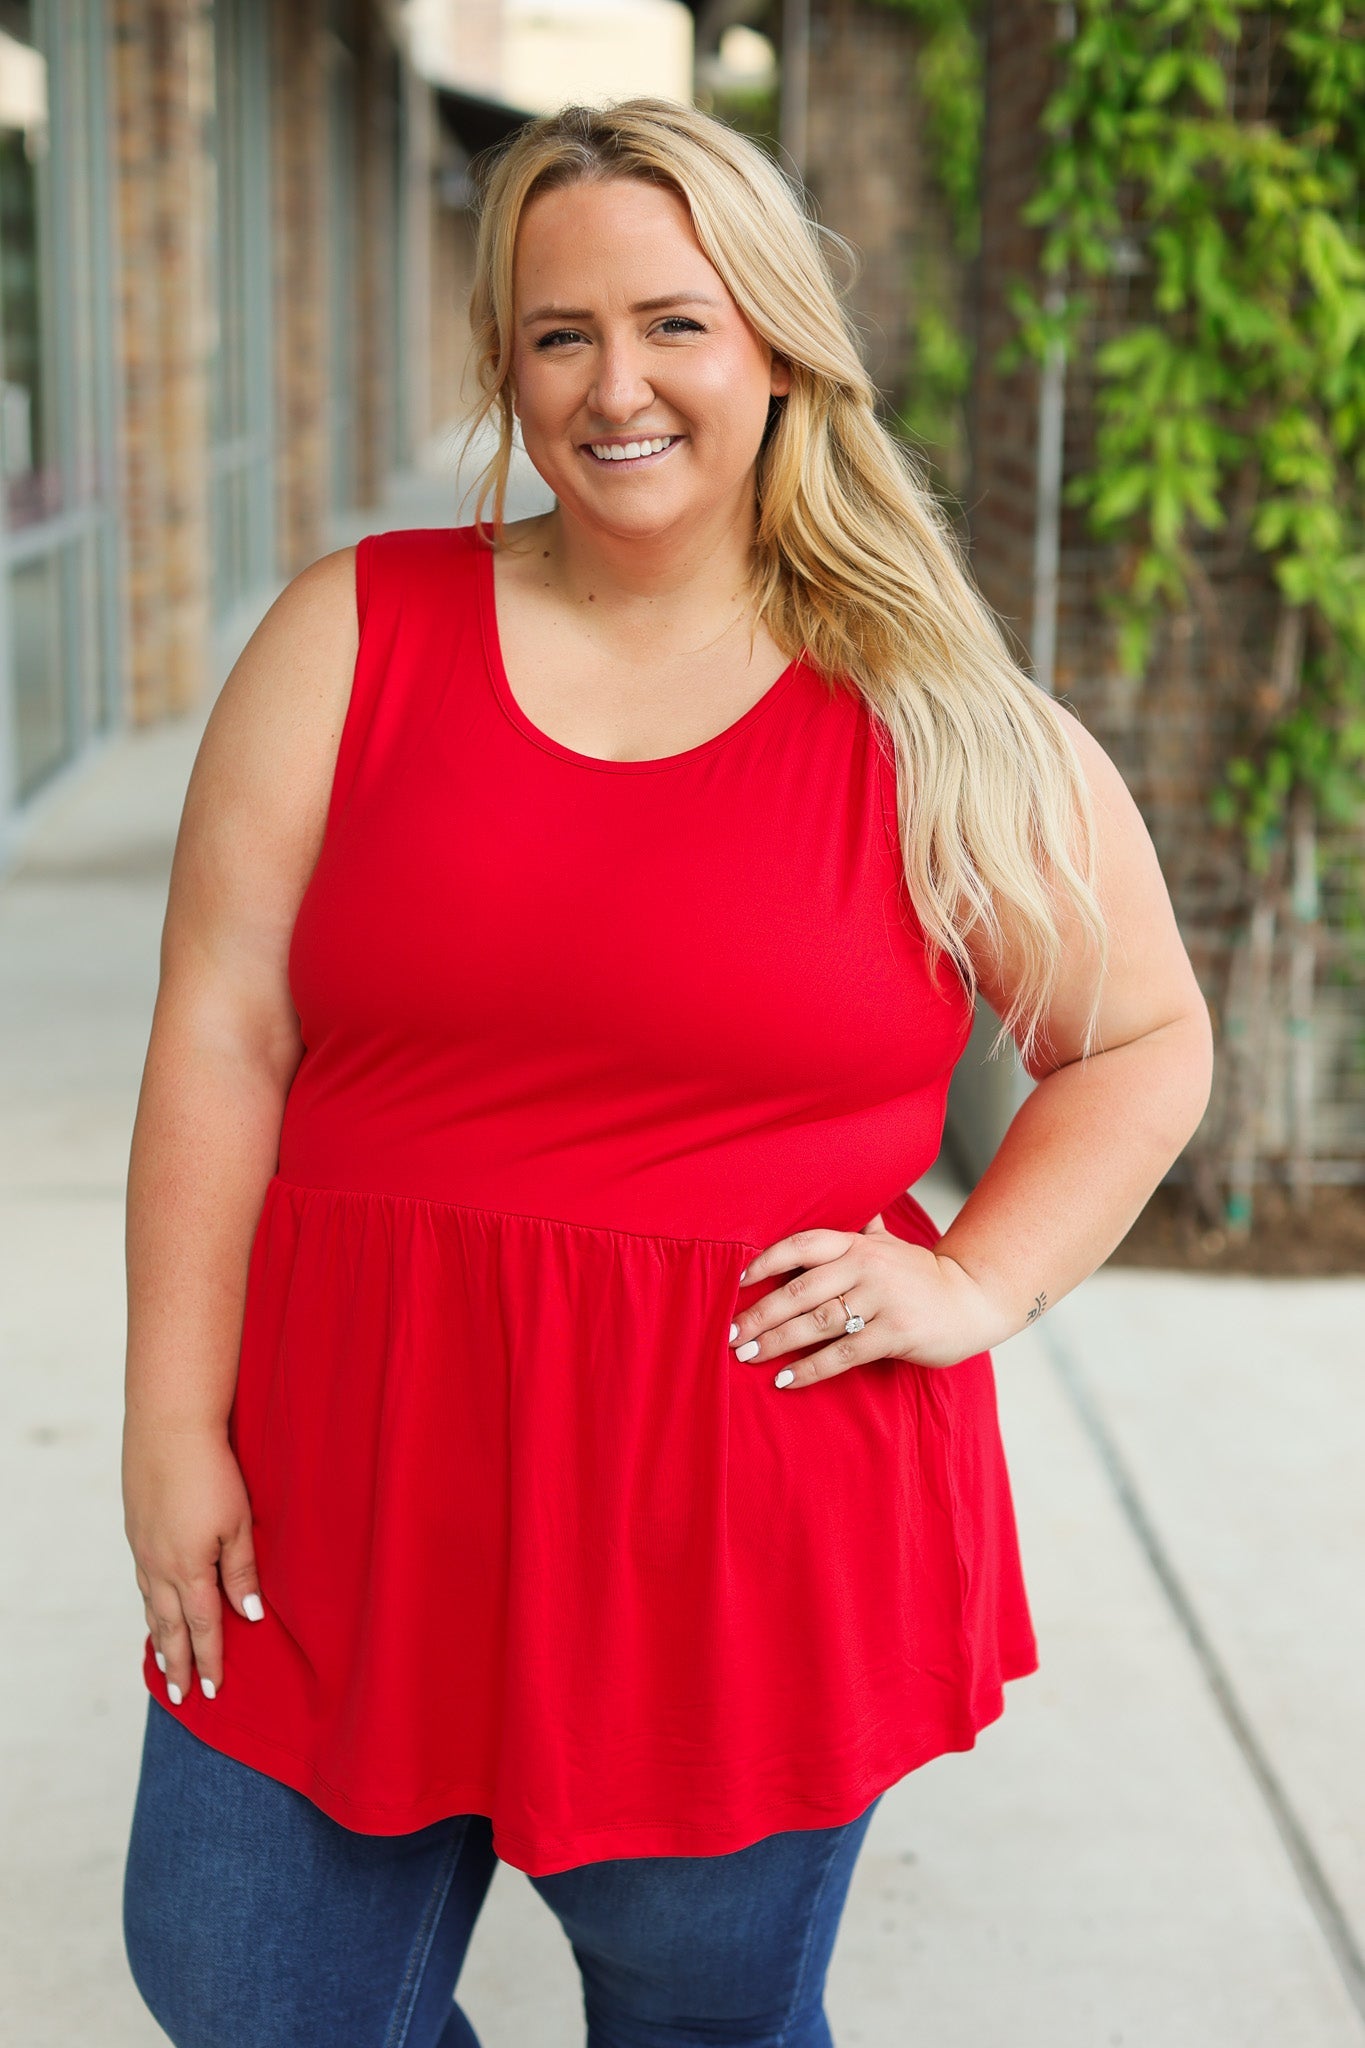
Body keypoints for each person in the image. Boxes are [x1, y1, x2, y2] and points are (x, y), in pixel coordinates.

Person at [119, 96, 1214, 2048]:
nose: (612, 383)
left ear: (774, 340)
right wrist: (172, 1423)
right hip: (347, 1460)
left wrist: (976, 1279)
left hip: (729, 1516)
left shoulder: (933, 715)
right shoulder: (350, 635)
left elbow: (1137, 1038)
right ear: (504, 366)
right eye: (559, 335)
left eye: (671, 322)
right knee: (246, 1983)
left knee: (695, 2021)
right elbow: (223, 1028)